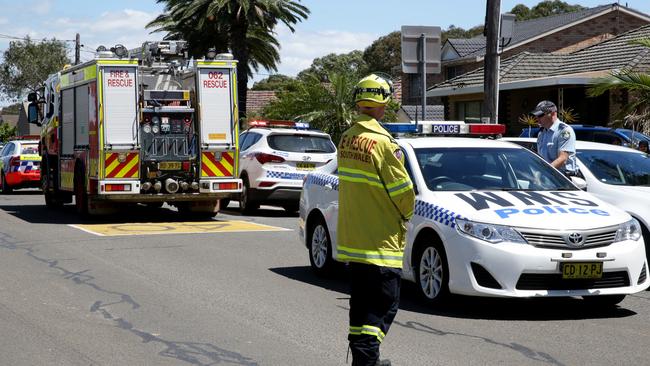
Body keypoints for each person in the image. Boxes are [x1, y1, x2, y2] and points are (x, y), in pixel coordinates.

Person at [337, 74, 415, 366]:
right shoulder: (384, 144)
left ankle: (364, 359)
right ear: (383, 102)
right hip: (380, 244)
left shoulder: (347, 139)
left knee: (360, 309)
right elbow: (403, 191)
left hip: (354, 243)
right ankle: (368, 361)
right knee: (382, 308)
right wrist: (406, 215)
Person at [532, 100, 579, 176]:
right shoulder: (541, 133)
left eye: (540, 115)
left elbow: (563, 158)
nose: (537, 118)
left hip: (564, 179)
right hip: (548, 176)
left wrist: (544, 173)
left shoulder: (564, 131)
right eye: (536, 115)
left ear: (553, 113)